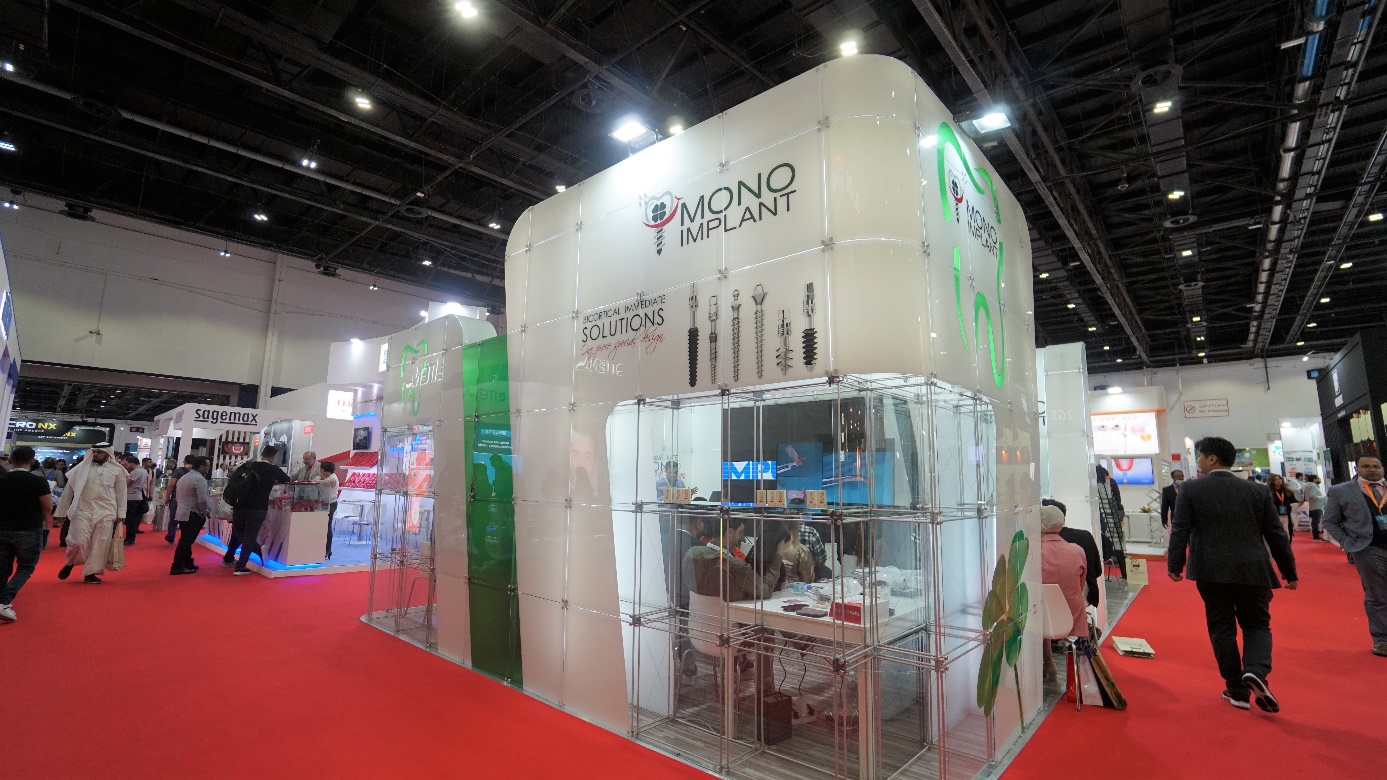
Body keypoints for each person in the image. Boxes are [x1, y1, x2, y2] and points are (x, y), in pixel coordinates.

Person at [1168, 436, 1298, 713]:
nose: (1198, 461)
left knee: (1221, 627)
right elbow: (1276, 534)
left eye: (1200, 456)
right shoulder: (1257, 491)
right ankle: (1256, 671)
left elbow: (1180, 530)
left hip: (1210, 569)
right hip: (1253, 568)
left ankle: (1237, 690)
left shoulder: (1190, 489)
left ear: (1212, 459)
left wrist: (1175, 565)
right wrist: (1289, 572)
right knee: (1257, 624)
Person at [1320, 455, 1387, 657]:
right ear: (1357, 469)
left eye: (1376, 466)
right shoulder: (1341, 491)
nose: (1372, 469)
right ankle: (1382, 640)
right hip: (1368, 549)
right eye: (1366, 466)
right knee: (1377, 594)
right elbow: (1329, 521)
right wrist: (1347, 542)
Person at [55, 446, 128, 584]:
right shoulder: (81, 468)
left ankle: (91, 573)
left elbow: (121, 493)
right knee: (78, 541)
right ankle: (70, 563)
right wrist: (62, 510)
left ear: (107, 454)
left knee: (99, 544)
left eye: (99, 452)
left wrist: (121, 512)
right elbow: (68, 490)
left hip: (106, 511)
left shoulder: (118, 470)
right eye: (94, 451)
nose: (95, 454)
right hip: (82, 510)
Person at [0, 447, 55, 622]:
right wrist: (43, 520)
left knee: (2, 567)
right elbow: (47, 505)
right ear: (32, 461)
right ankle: (4, 600)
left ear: (10, 460)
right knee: (25, 567)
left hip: (2, 528)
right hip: (29, 529)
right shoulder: (38, 481)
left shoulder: (2, 479)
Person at [223, 445, 292, 574]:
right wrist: (273, 481)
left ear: (261, 454)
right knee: (250, 535)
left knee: (238, 533)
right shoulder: (272, 469)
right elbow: (288, 480)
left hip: (239, 505)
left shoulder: (248, 465)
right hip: (258, 507)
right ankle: (241, 566)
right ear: (273, 456)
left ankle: (228, 559)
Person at [1042, 498, 1102, 609]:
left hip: (1054, 605)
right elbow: (1097, 571)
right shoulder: (1085, 536)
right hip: (1087, 598)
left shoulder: (1040, 545)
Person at [1040, 504, 1087, 638]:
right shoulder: (1077, 550)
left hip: (1041, 619)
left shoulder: (1032, 551)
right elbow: (1080, 587)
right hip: (1073, 617)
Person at [170, 456, 210, 575]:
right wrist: (204, 512)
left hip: (183, 512)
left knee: (185, 539)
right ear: (201, 466)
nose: (208, 468)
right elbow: (202, 500)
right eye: (207, 465)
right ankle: (177, 565)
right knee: (186, 541)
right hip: (193, 513)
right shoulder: (199, 479)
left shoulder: (183, 478)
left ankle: (187, 563)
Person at [164, 455, 196, 544]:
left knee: (174, 518)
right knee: (186, 520)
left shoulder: (179, 471)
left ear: (184, 461)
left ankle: (171, 536)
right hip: (190, 499)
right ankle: (184, 538)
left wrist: (167, 497)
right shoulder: (196, 472)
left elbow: (171, 485)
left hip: (176, 498)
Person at [120, 454, 151, 546]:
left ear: (131, 463)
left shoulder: (136, 472)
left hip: (131, 497)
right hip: (137, 496)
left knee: (130, 519)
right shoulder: (144, 471)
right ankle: (131, 538)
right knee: (132, 519)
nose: (126, 466)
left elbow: (126, 484)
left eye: (127, 464)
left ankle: (130, 539)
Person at [318, 461, 340, 560]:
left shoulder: (332, 479)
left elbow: (319, 483)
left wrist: (318, 479)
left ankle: (327, 550)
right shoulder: (328, 478)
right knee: (325, 526)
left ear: (323, 469)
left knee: (327, 527)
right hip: (325, 504)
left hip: (330, 504)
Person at [1267, 474, 1297, 542]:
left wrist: (1299, 502)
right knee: (1277, 533)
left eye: (1279, 479)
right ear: (1272, 481)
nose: (1279, 481)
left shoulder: (1288, 491)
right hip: (1275, 515)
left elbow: (1293, 501)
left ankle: (1288, 546)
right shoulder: (1269, 492)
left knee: (1288, 532)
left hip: (1287, 515)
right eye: (1276, 480)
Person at [1304, 475, 1326, 541]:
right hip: (1316, 506)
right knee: (1316, 521)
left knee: (1314, 521)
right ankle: (1316, 536)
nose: (1319, 479)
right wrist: (1323, 497)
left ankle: (1316, 535)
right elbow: (1312, 496)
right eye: (1318, 478)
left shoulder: (1307, 485)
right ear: (1314, 479)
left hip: (1312, 505)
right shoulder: (1313, 486)